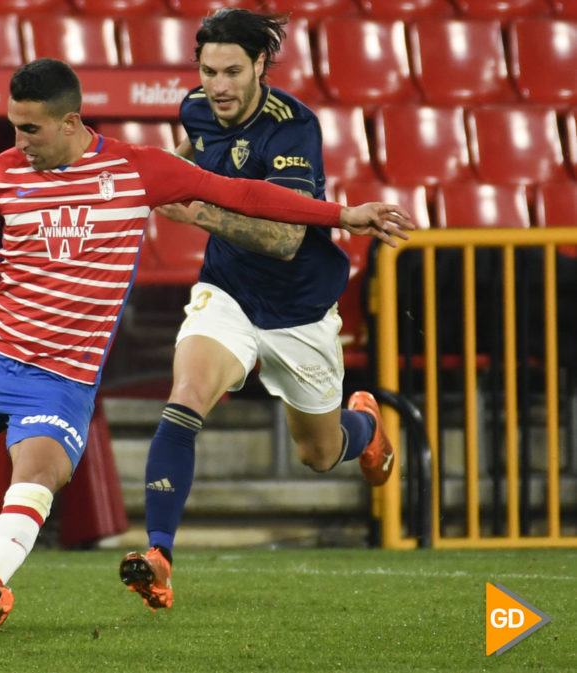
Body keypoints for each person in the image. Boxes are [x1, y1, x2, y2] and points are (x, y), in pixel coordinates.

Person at [0, 57, 413, 650]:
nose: (19, 142)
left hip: (58, 381)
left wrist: (344, 215)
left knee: (36, 481)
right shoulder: (1, 173)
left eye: (31, 129)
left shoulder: (137, 171)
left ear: (71, 122)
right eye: (13, 127)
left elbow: (244, 193)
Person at [119, 9, 398, 612]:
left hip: (299, 309)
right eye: (208, 70)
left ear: (261, 67)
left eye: (232, 72)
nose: (217, 85)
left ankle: (368, 427)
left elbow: (286, 238)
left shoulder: (294, 128)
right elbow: (185, 155)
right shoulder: (196, 107)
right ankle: (159, 555)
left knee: (320, 455)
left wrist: (194, 212)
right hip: (228, 294)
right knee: (186, 395)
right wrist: (165, 176)